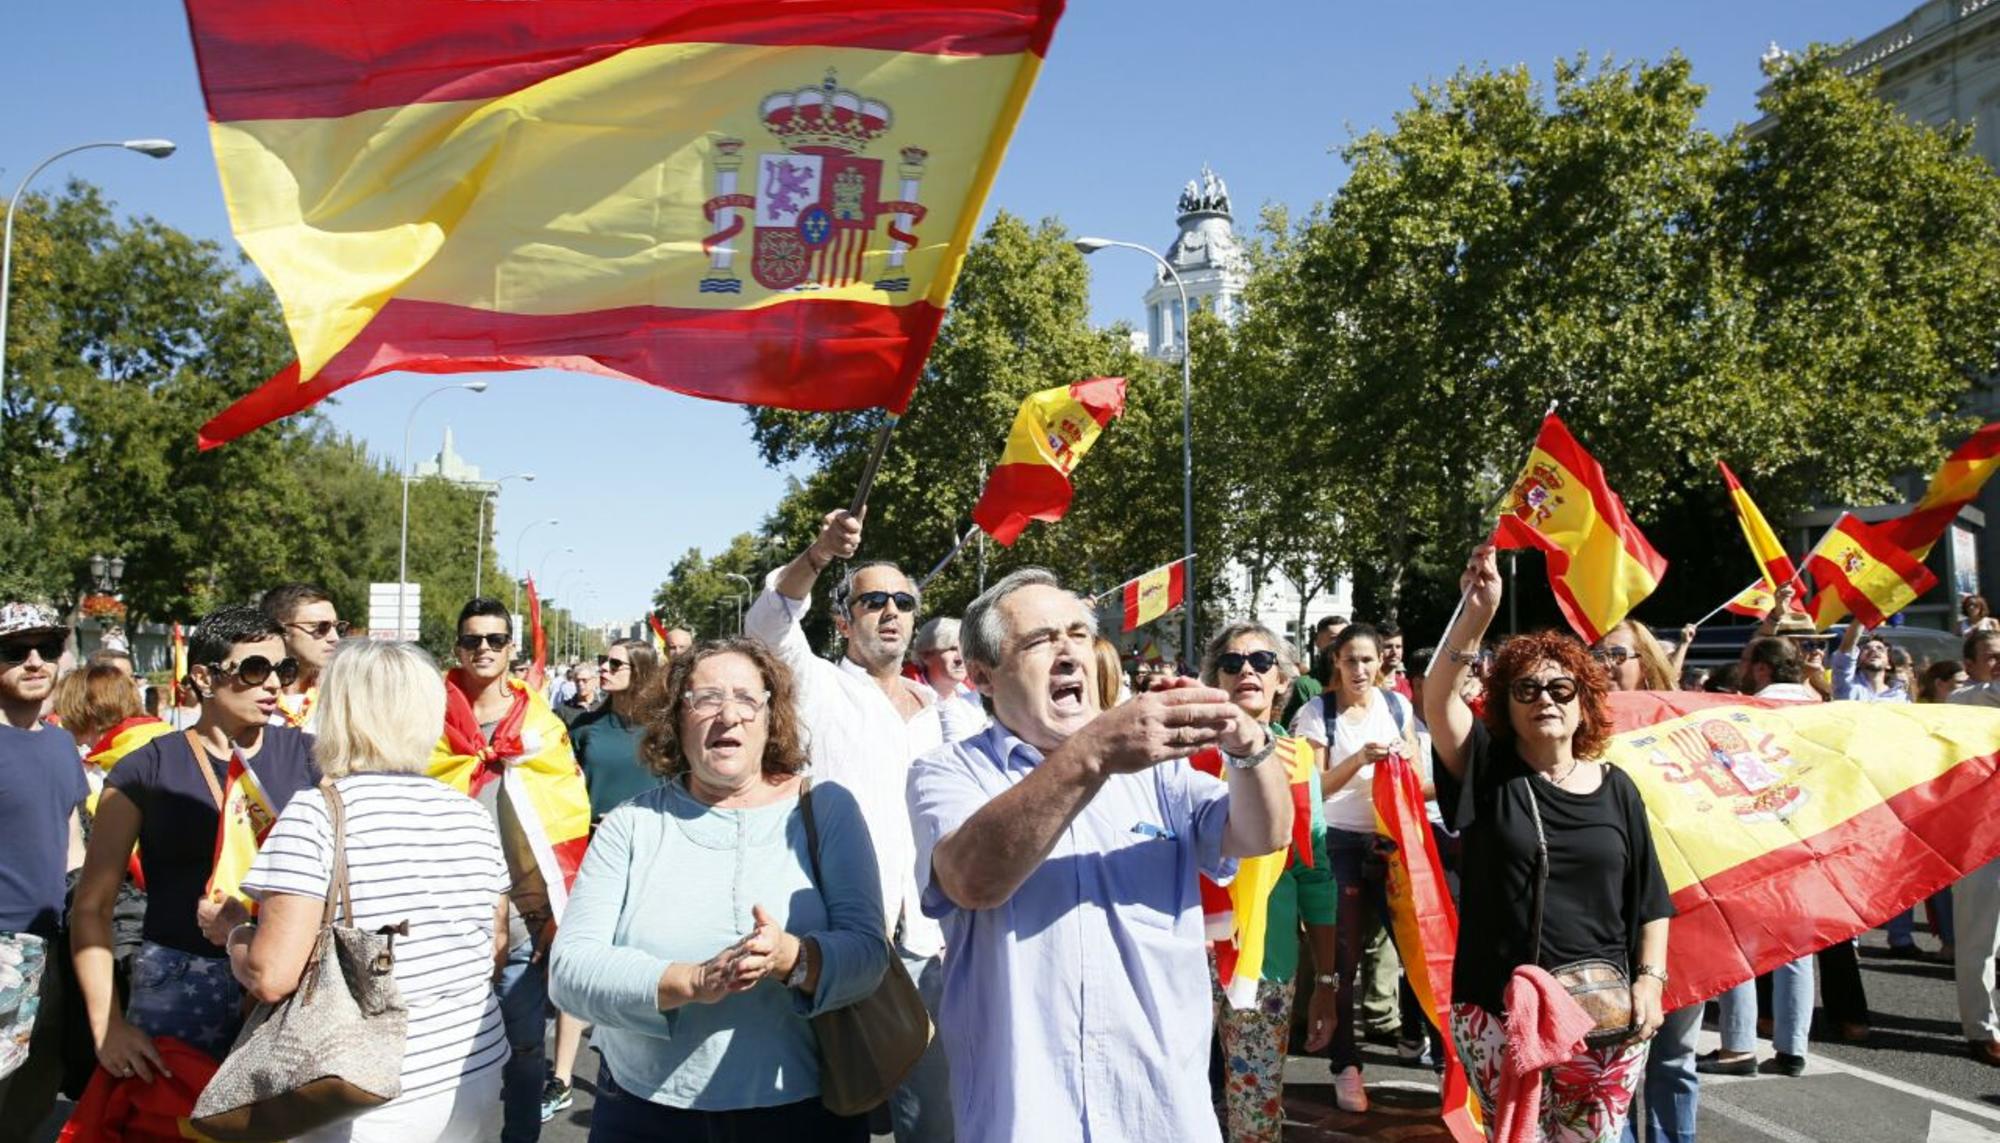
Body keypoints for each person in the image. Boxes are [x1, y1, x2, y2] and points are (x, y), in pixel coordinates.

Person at [908, 568, 1293, 1143]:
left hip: (1160, 1114)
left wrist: (1246, 743)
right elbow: (973, 881)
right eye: (1040, 640)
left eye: (1078, 634)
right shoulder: (947, 772)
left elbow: (1264, 833)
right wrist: (1095, 753)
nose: (1067, 653)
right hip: (1027, 1115)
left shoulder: (1160, 769)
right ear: (984, 676)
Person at [548, 639, 886, 1140]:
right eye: (706, 698)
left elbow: (868, 956)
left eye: (747, 698)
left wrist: (794, 958)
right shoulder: (631, 825)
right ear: (674, 718)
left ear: (772, 716)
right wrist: (690, 981)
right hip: (648, 1113)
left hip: (804, 1111)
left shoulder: (828, 809)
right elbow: (570, 971)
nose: (729, 715)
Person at [210, 639, 510, 1141]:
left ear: (338, 712)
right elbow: (494, 948)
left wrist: (234, 931)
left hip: (362, 1091)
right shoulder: (469, 814)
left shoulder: (317, 814)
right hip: (471, 1072)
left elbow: (271, 976)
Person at [745, 510, 980, 1142]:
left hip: (931, 938)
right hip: (836, 934)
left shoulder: (943, 712)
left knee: (933, 1115)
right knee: (829, 1111)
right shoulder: (813, 680)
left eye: (903, 601)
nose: (891, 611)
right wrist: (819, 555)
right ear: (843, 619)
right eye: (873, 600)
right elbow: (767, 622)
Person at [1426, 546, 1670, 1140]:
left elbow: (1651, 901)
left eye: (1562, 689)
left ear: (1584, 703)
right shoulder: (1485, 770)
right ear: (1506, 706)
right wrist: (1478, 613)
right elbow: (1438, 698)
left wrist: (1650, 983)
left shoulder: (1619, 790)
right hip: (1498, 1008)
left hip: (1604, 1011)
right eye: (1527, 690)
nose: (1546, 701)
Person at [71, 604, 320, 1077]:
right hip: (177, 982)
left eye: (282, 669)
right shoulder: (145, 769)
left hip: (283, 974)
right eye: (253, 669)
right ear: (204, 677)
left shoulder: (311, 759)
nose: (273, 683)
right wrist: (108, 1027)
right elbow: (92, 907)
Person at [429, 597, 588, 1143]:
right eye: (472, 640)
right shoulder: (430, 720)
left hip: (523, 914)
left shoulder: (540, 724)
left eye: (495, 640)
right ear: (457, 647)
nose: (483, 650)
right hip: (448, 914)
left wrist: (553, 913)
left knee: (523, 1051)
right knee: (443, 1050)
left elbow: (567, 814)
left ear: (511, 648)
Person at [1198, 622, 1337, 1143]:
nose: (1247, 671)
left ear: (1283, 680)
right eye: (1232, 664)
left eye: (1261, 661)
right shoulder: (1183, 756)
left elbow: (1314, 874)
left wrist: (1325, 982)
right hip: (1183, 957)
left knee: (1255, 1114)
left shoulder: (1299, 760)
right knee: (1166, 1101)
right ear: (1217, 679)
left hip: (1266, 962)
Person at [1287, 622, 1421, 1112]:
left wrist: (1406, 760)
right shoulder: (1314, 713)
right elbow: (1313, 790)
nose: (1360, 670)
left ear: (1380, 663)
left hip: (1393, 838)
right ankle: (1346, 1065)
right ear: (1335, 664)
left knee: (1417, 949)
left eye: (1368, 660)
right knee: (1339, 961)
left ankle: (1428, 1045)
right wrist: (1361, 758)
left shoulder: (1397, 706)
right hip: (1338, 843)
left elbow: (1421, 782)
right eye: (1350, 661)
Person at [543, 637, 665, 1121]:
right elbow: (560, 788)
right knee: (578, 957)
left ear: (639, 670)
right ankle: (561, 1078)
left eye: (615, 663)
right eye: (603, 662)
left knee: (642, 954)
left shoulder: (663, 730)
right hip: (590, 852)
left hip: (651, 853)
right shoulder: (584, 727)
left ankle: (639, 1068)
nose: (603, 669)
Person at [1594, 622, 1698, 1143]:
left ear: (1646, 661)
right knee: (1609, 1063)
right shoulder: (1578, 730)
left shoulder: (1683, 726)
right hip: (1605, 920)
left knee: (1675, 1057)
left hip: (1683, 917)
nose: (1606, 663)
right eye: (1598, 654)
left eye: (1618, 653)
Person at [1703, 634, 1822, 1078]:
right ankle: (1793, 1050)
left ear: (1762, 669)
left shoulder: (1748, 709)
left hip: (1755, 830)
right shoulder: (1818, 703)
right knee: (1798, 948)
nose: (1742, 666)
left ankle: (1738, 1046)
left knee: (1738, 944)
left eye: (1745, 658)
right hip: (1809, 826)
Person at [0, 603, 88, 1140]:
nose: (35, 662)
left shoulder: (59, 742)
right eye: (15, 652)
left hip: (53, 943)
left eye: (48, 650)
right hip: (2, 943)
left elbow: (71, 840)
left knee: (38, 1087)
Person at [1952, 628, 2000, 1065]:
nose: (1999, 661)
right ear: (1970, 665)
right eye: (1992, 656)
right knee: (1979, 938)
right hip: (1981, 837)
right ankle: (1981, 1028)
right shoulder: (1963, 702)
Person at [260, 582, 346, 733]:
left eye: (338, 627)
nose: (335, 638)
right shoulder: (247, 693)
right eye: (321, 627)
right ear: (281, 630)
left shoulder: (342, 695)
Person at [912, 617, 987, 734]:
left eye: (965, 650)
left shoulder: (971, 695)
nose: (960, 658)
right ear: (925, 655)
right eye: (952, 649)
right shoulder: (912, 700)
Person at [1831, 624, 1908, 702]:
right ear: (1858, 661)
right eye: (1866, 648)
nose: (1873, 650)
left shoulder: (1899, 697)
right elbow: (1845, 652)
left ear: (1889, 664)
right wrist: (1862, 618)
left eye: (1880, 648)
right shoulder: (1846, 684)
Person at [556, 662, 601, 728]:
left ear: (594, 681)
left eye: (584, 680)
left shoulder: (604, 705)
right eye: (577, 681)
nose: (580, 684)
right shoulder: (564, 710)